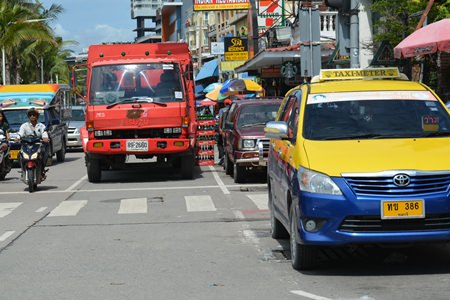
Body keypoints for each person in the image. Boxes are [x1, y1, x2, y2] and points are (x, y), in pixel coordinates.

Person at [16, 107, 49, 178]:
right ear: (28, 116)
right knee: (19, 155)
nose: (32, 116)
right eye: (30, 115)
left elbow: (44, 133)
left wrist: (45, 138)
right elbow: (20, 133)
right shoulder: (24, 126)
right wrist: (18, 138)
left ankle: (42, 170)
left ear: (37, 116)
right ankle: (23, 170)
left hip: (38, 145)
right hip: (26, 145)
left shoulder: (41, 126)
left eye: (34, 115)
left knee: (45, 153)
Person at [216, 98, 232, 165]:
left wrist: (219, 128)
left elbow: (220, 119)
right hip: (230, 130)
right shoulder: (232, 110)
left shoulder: (222, 110)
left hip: (223, 130)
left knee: (220, 143)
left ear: (224, 104)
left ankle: (222, 157)